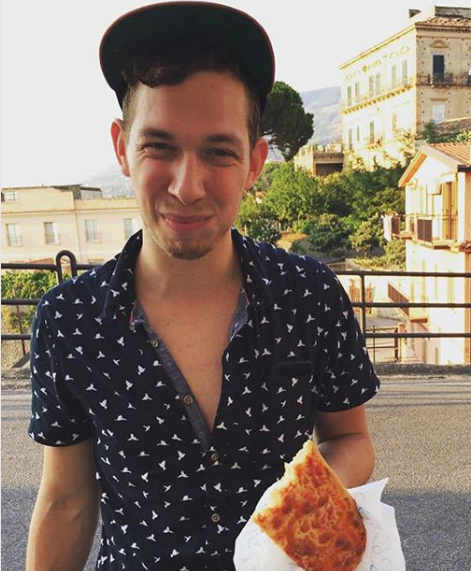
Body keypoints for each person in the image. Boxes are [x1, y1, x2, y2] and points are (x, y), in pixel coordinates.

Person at [25, 3, 380, 570]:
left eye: (218, 152)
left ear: (255, 162)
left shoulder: (309, 295)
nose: (187, 187)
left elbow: (350, 438)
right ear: (121, 148)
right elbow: (66, 501)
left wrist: (294, 511)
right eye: (159, 146)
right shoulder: (69, 319)